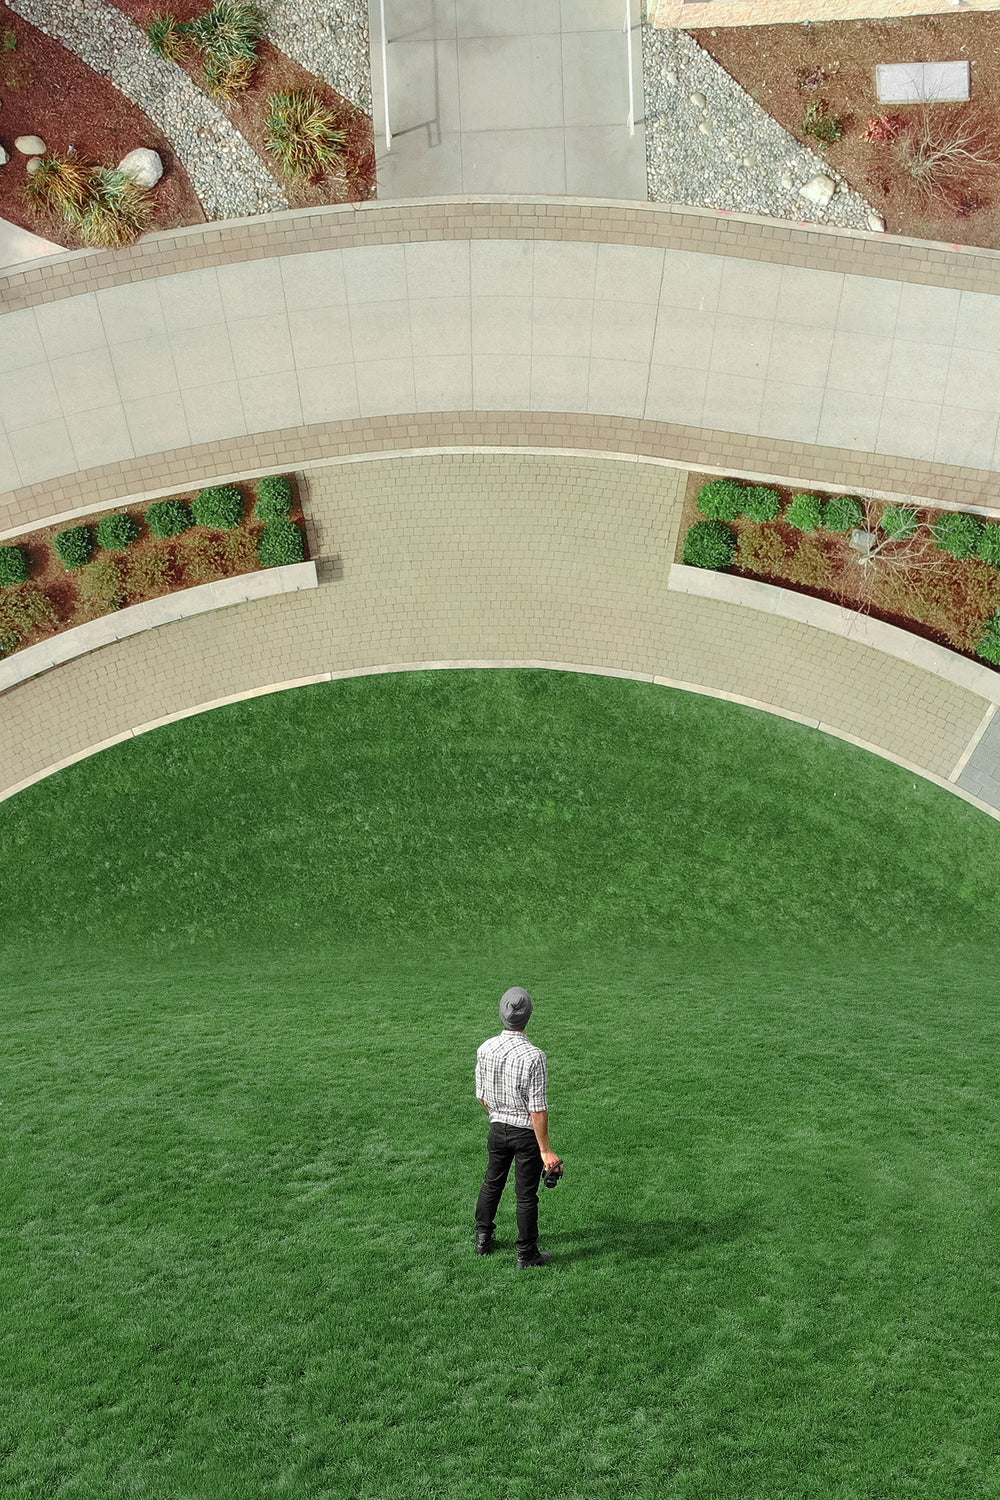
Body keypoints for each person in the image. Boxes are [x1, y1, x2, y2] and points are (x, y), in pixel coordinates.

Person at [473, 985, 562, 1268]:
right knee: (526, 1195)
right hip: (525, 1133)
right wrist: (545, 1150)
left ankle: (483, 1239)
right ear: (528, 1017)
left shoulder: (485, 1048)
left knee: (492, 1183)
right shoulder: (535, 1056)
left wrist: (497, 1115)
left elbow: (482, 1096)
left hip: (497, 1127)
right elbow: (537, 1108)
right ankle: (526, 1254)